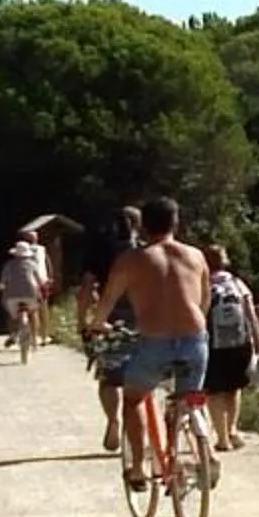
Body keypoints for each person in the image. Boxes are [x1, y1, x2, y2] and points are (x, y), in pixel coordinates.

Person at [97, 197, 212, 494]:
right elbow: (204, 300)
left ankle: (138, 468)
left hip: (155, 341)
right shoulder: (196, 255)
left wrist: (96, 325)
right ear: (176, 223)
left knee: (134, 398)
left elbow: (108, 300)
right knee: (189, 398)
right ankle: (199, 450)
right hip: (194, 339)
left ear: (143, 227)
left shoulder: (132, 260)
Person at [77, 206, 144, 452]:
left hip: (109, 320)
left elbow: (86, 289)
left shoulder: (100, 252)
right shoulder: (146, 251)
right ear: (139, 225)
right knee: (143, 377)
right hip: (145, 318)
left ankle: (113, 421)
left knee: (109, 379)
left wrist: (82, 322)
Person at [199, 244, 259, 452]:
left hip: (212, 343)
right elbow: (250, 314)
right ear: (225, 261)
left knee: (214, 391)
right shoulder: (237, 283)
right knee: (234, 388)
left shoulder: (203, 283)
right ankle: (233, 429)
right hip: (239, 342)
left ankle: (222, 438)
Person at [0, 232, 50, 351]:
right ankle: (35, 338)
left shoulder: (8, 265)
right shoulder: (32, 264)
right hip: (31, 295)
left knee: (10, 314)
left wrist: (0, 286)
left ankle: (13, 334)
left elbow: (3, 281)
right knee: (34, 312)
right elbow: (39, 280)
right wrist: (42, 286)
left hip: (12, 297)